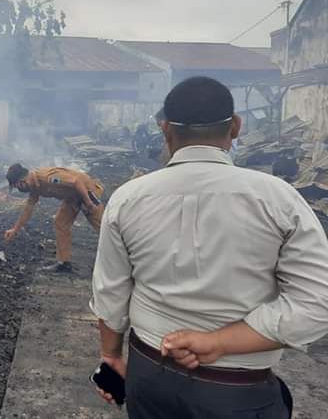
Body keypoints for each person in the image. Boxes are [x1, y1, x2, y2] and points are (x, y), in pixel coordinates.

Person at [90, 76, 328, 418]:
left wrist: (111, 356)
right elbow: (316, 305)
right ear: (235, 127)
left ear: (165, 129)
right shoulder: (279, 199)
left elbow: (110, 293)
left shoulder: (128, 198)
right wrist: (218, 343)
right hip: (236, 392)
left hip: (149, 376)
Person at [3, 163, 103, 272]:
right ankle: (63, 263)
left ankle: (120, 256)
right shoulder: (34, 187)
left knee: (103, 226)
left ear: (22, 181)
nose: (18, 189)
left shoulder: (47, 177)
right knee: (60, 223)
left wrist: (88, 202)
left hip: (86, 191)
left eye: (16, 186)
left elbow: (77, 181)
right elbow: (28, 209)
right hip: (72, 197)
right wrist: (15, 229)